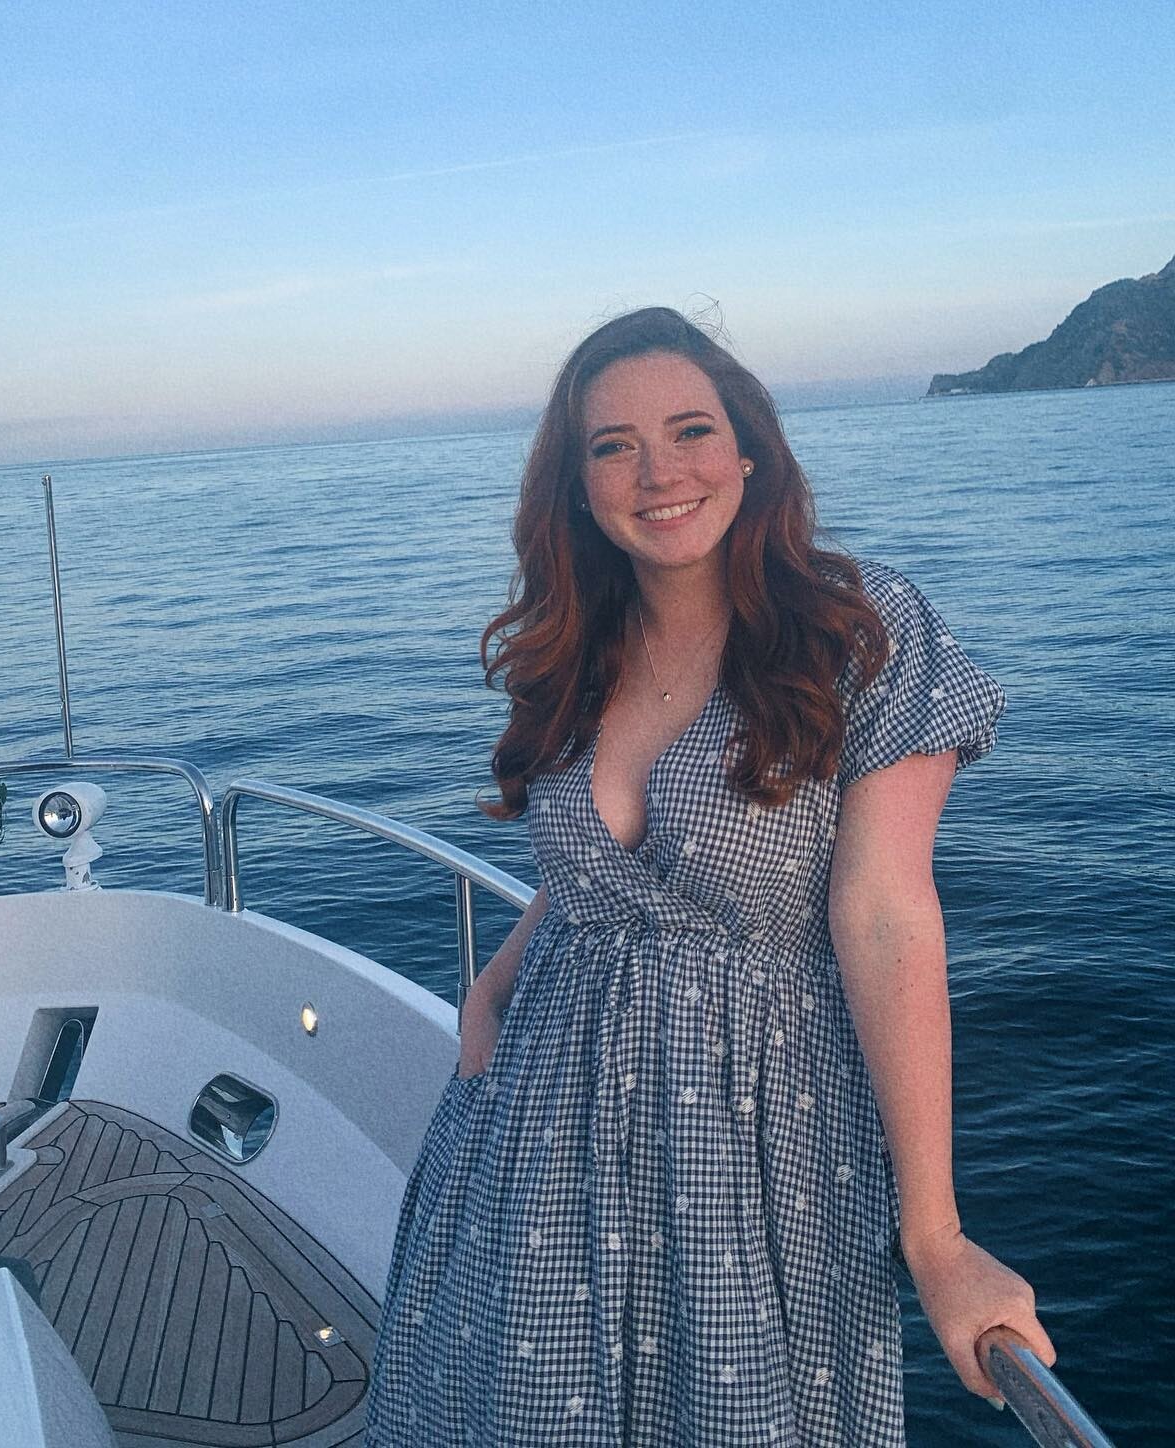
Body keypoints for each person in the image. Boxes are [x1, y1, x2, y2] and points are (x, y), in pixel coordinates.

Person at [364, 306, 1055, 1445]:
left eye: (691, 430)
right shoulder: (578, 648)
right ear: (578, 485)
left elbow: (885, 913)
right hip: (539, 1114)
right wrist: (491, 986)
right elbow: (595, 877)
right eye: (614, 446)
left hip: (753, 1126)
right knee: (513, 1398)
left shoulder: (856, 630)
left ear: (748, 452)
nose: (659, 472)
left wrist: (935, 1236)